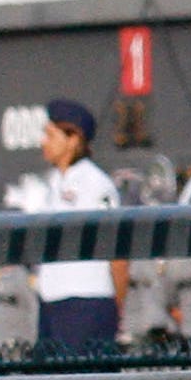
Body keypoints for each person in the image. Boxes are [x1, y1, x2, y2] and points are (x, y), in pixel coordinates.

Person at [32, 99, 126, 356]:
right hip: (52, 302)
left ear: (73, 139)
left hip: (87, 302)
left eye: (51, 135)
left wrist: (115, 307)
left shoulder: (96, 184)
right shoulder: (52, 185)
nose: (43, 142)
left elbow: (117, 252)